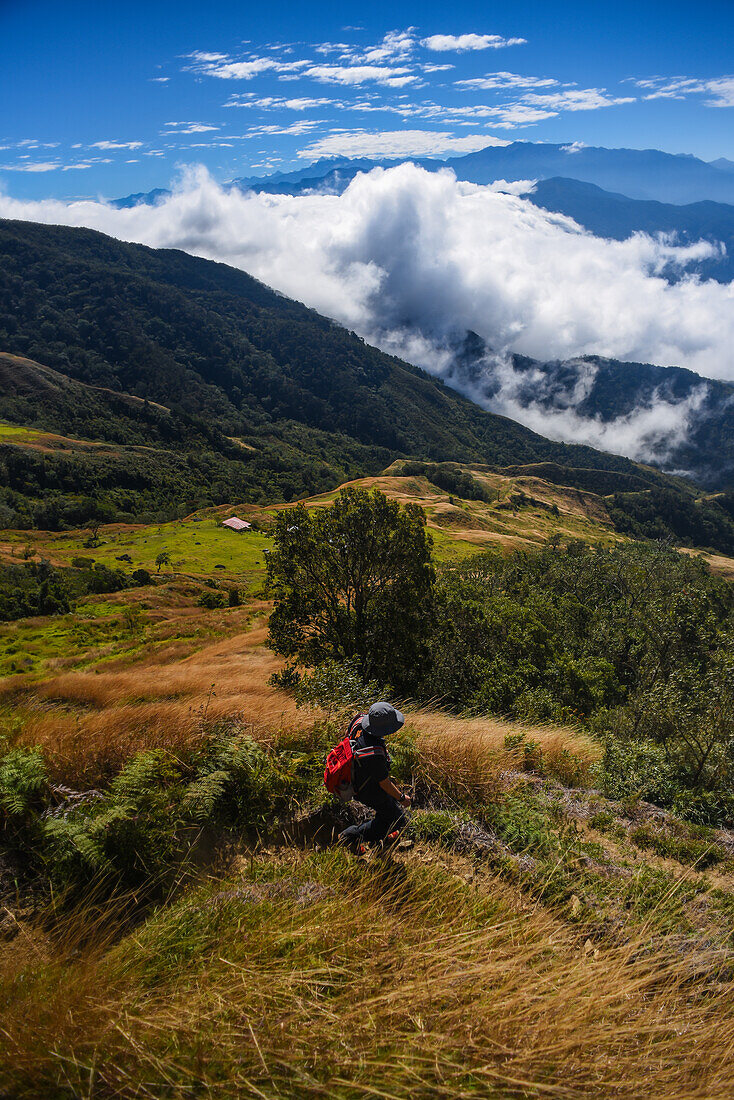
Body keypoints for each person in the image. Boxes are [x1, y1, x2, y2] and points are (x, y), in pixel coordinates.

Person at [338, 701, 412, 853]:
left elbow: (346, 737)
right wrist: (402, 797)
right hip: (367, 789)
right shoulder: (373, 753)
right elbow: (384, 783)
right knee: (397, 818)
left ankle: (383, 836)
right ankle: (350, 836)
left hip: (359, 779)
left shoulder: (358, 720)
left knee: (386, 810)